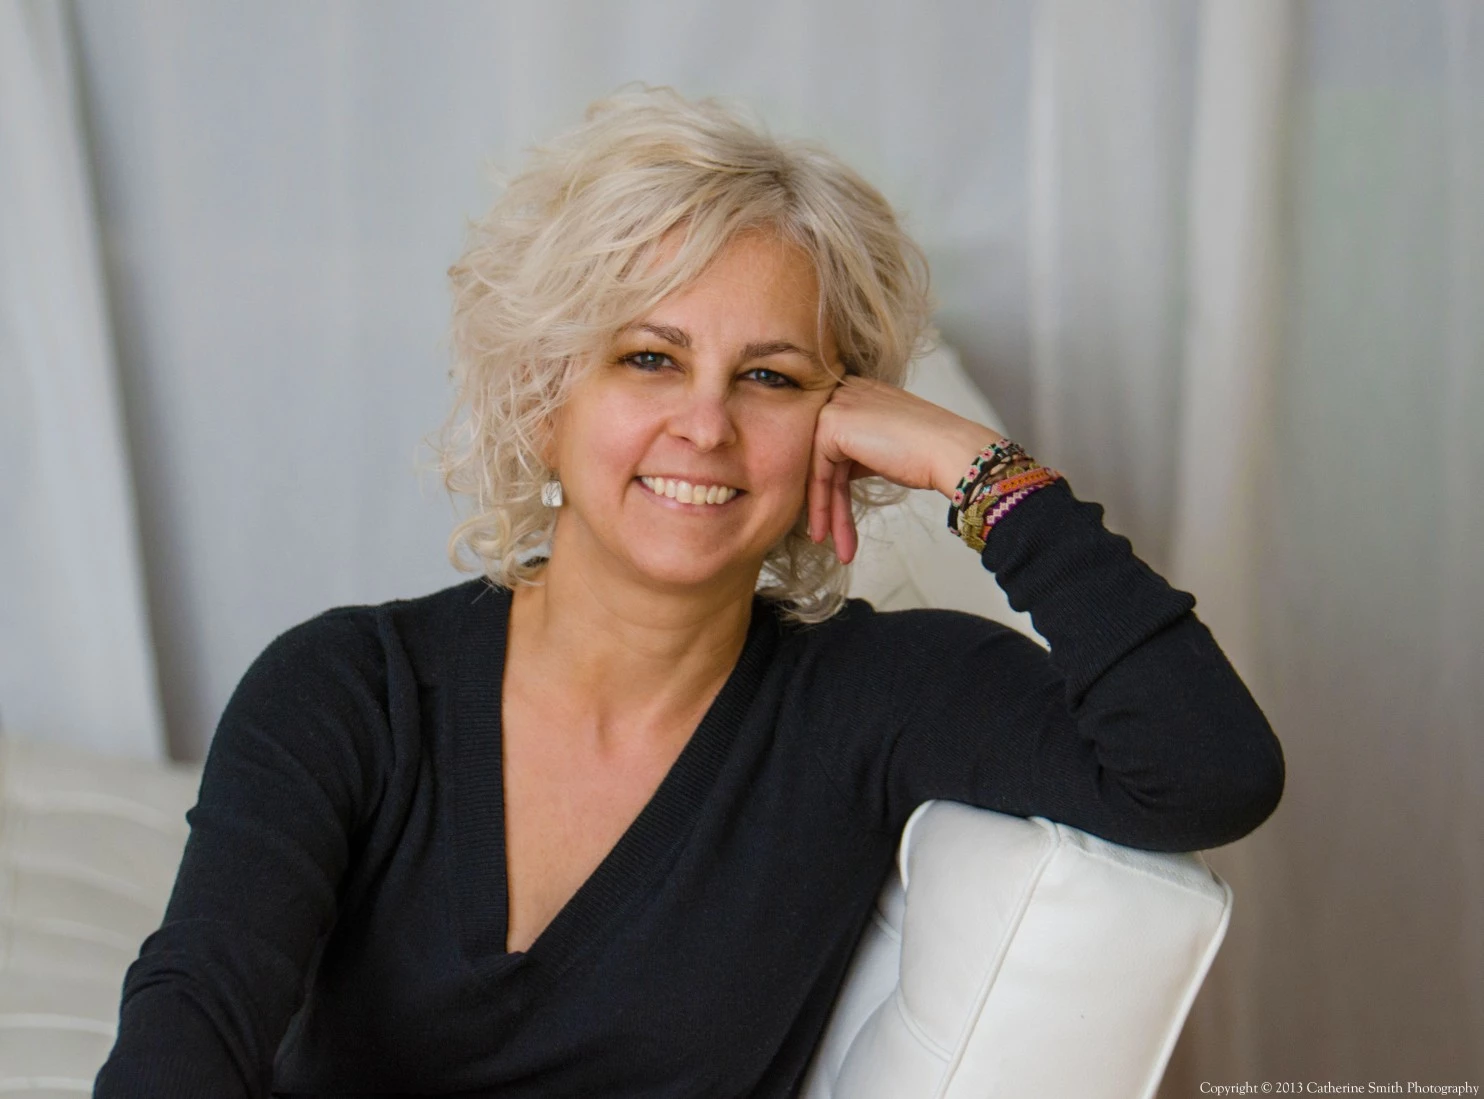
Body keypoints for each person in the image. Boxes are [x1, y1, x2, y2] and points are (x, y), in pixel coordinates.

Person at [95, 86, 1284, 1098]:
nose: (705, 424)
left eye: (769, 377)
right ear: (544, 402)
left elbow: (1204, 768)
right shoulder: (347, 689)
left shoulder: (873, 698)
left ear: (839, 427)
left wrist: (975, 467)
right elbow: (195, 1010)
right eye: (648, 357)